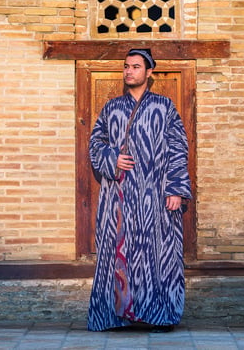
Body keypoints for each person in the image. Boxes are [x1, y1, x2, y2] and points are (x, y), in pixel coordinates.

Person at [87, 48, 192, 332]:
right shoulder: (111, 108)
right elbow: (95, 143)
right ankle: (116, 315)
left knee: (157, 253)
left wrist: (176, 189)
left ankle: (159, 315)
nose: (129, 71)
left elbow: (178, 148)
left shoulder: (164, 107)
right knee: (117, 251)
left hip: (155, 196)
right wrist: (112, 158)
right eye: (126, 66)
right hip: (119, 197)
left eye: (135, 67)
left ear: (148, 73)